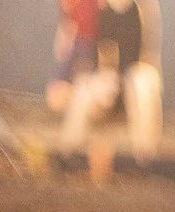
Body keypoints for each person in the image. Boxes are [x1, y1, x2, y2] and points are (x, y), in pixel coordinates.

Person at [56, 0, 162, 177]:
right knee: (85, 88)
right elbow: (91, 50)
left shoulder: (143, 8)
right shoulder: (99, 9)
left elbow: (148, 56)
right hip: (108, 78)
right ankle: (67, 153)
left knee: (142, 81)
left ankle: (145, 158)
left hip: (134, 78)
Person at [47, 0, 98, 115]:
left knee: (85, 89)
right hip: (74, 40)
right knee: (55, 98)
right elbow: (66, 20)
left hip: (90, 43)